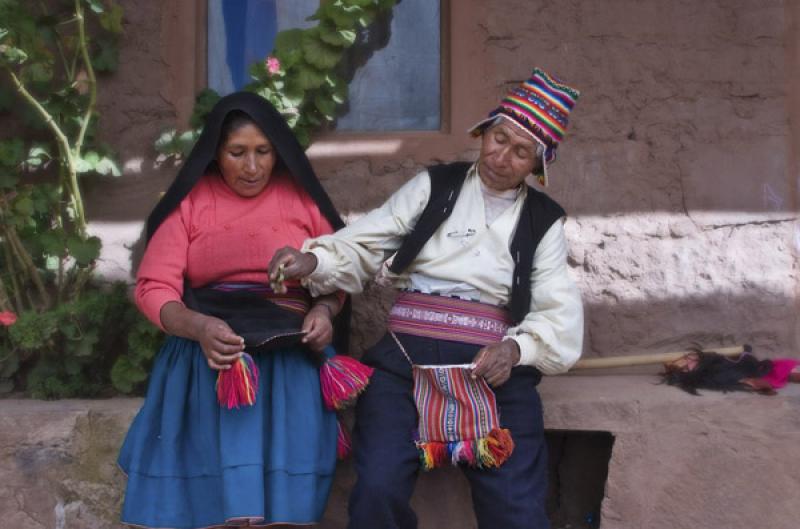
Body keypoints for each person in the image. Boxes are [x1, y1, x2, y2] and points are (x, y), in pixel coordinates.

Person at [269, 68, 585, 529]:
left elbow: (558, 311)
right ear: (484, 131)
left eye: (521, 152)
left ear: (537, 166)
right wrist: (313, 262)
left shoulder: (545, 220)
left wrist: (516, 349)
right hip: (403, 365)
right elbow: (366, 240)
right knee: (377, 488)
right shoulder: (435, 187)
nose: (502, 156)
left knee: (517, 505)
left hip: (491, 370)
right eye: (499, 138)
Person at [118, 92, 347, 529]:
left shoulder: (300, 199)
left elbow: (338, 274)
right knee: (217, 507)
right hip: (213, 357)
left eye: (263, 152)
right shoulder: (190, 201)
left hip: (287, 357)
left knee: (286, 510)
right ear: (215, 152)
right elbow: (154, 288)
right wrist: (199, 326)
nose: (253, 166)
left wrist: (323, 311)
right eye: (237, 153)